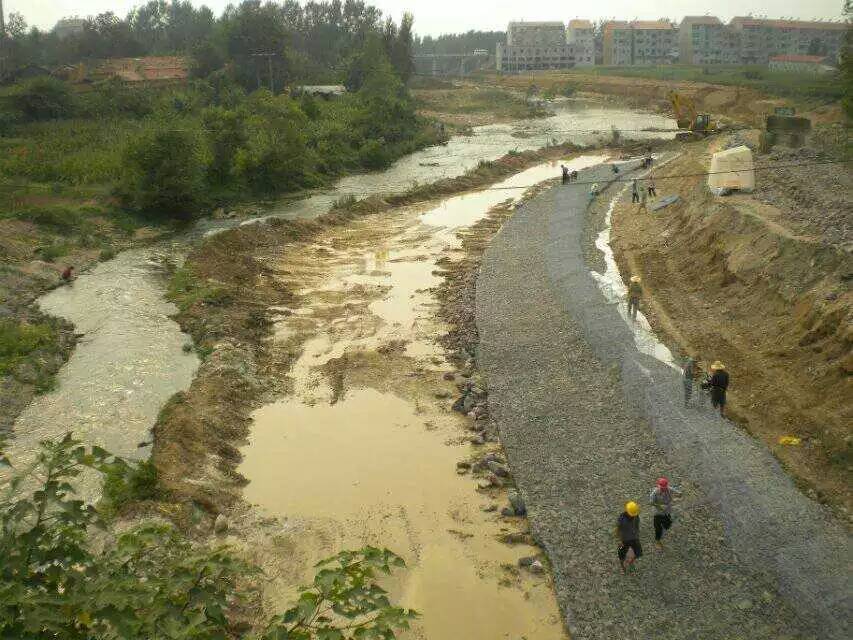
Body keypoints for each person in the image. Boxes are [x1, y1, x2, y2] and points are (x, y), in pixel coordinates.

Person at [649, 477, 681, 547]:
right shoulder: (655, 493)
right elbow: (651, 503)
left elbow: (678, 493)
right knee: (658, 528)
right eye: (662, 487)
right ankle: (657, 540)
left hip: (667, 511)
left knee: (668, 524)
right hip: (658, 513)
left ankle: (664, 527)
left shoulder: (668, 489)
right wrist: (659, 506)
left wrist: (678, 495)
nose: (664, 489)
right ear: (658, 486)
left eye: (665, 487)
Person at [616, 501, 642, 572]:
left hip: (634, 538)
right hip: (624, 540)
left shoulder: (636, 516)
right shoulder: (622, 519)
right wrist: (619, 540)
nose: (633, 516)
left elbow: (637, 525)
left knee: (639, 553)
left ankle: (631, 562)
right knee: (621, 554)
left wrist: (637, 533)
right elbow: (618, 529)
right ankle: (622, 567)